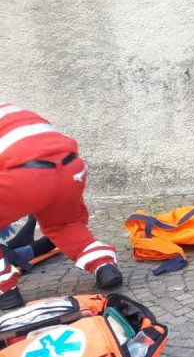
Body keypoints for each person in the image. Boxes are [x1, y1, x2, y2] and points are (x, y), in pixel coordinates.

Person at [0, 103, 122, 310]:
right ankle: (103, 264)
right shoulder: (11, 110)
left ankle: (5, 290)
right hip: (70, 168)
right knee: (65, 225)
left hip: (23, 176)